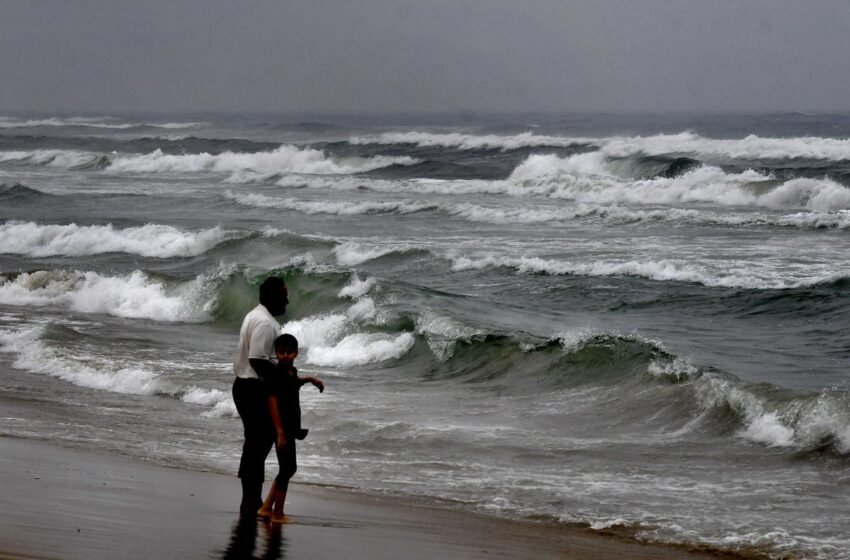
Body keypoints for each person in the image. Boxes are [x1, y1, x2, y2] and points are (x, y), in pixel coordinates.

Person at [232, 276, 289, 515]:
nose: (287, 300)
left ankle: (251, 497)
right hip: (253, 389)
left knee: (255, 444)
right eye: (284, 295)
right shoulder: (265, 323)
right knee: (258, 445)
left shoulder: (255, 315)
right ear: (272, 297)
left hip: (244, 386)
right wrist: (283, 378)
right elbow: (257, 359)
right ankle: (251, 500)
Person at [258, 334, 324, 523]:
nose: (285, 356)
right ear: (276, 354)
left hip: (289, 426)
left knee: (287, 468)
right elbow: (272, 402)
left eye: (289, 352)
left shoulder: (290, 372)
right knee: (287, 468)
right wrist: (279, 432)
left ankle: (266, 508)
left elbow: (293, 383)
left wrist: (310, 379)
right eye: (281, 353)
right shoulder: (276, 374)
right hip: (281, 428)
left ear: (296, 353)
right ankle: (277, 514)